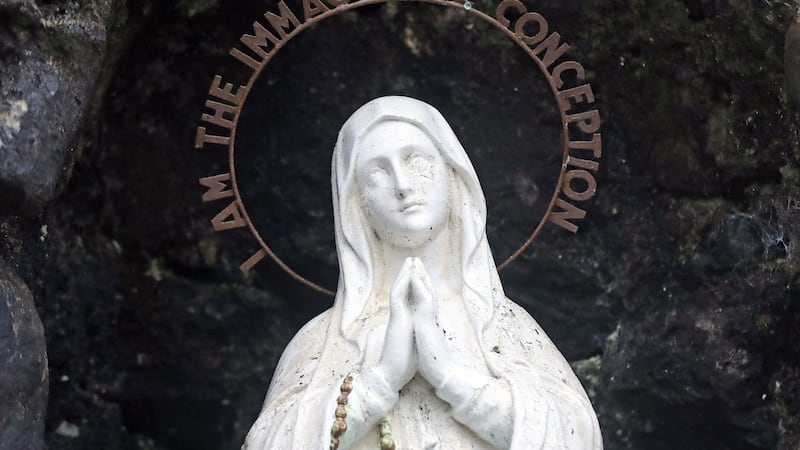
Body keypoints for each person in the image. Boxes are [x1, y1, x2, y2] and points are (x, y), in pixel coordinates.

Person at [243, 96, 602, 450]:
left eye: (416, 160)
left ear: (452, 176)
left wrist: (450, 377)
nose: (402, 184)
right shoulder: (322, 344)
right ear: (357, 204)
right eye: (377, 172)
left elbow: (578, 437)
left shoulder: (509, 329)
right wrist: (379, 383)